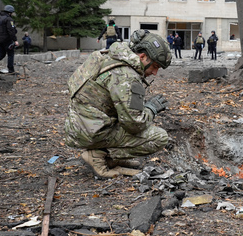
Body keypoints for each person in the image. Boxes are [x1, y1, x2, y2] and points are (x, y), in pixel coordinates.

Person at [65, 29, 172, 179]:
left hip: (78, 124)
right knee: (159, 137)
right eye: (155, 66)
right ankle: (99, 155)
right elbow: (134, 124)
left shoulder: (108, 56)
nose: (155, 73)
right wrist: (150, 109)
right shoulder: (127, 76)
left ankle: (109, 155)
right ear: (142, 57)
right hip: (92, 131)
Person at [0, 5, 18, 74]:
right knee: (10, 54)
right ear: (10, 12)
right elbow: (11, 31)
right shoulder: (9, 19)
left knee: (1, 54)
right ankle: (11, 70)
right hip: (7, 40)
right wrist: (15, 40)